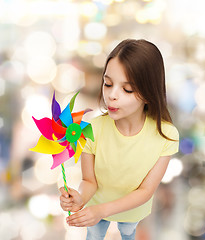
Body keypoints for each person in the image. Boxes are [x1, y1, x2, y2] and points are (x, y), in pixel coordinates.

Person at [59, 39, 179, 240]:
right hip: (97, 206)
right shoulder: (91, 129)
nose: (112, 95)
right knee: (94, 235)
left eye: (127, 89)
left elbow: (145, 191)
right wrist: (79, 198)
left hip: (132, 210)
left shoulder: (165, 135)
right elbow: (89, 181)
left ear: (149, 93)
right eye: (107, 84)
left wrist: (102, 211)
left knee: (128, 231)